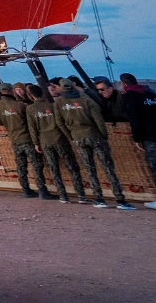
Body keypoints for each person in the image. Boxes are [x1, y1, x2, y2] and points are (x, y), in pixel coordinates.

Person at [54, 78, 134, 210]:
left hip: (78, 137)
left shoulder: (59, 103)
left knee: (90, 169)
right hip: (94, 135)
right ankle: (120, 199)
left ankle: (99, 198)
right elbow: (97, 116)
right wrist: (103, 134)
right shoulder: (84, 98)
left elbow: (60, 122)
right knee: (108, 168)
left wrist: (71, 136)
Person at [25, 84, 84, 204]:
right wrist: (69, 137)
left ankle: (63, 195)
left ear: (31, 96)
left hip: (45, 141)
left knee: (54, 168)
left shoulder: (30, 109)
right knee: (72, 167)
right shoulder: (53, 105)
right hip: (60, 139)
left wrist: (36, 143)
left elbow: (32, 128)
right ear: (42, 93)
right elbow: (62, 122)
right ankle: (81, 194)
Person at [0, 83, 51, 199]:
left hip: (14, 139)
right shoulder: (20, 106)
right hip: (27, 138)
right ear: (12, 91)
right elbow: (30, 122)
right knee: (36, 165)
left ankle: (25, 189)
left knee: (21, 165)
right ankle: (42, 190)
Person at [119, 73, 156, 211]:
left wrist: (137, 138)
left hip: (152, 138)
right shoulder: (151, 95)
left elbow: (134, 119)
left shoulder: (130, 97)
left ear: (124, 84)